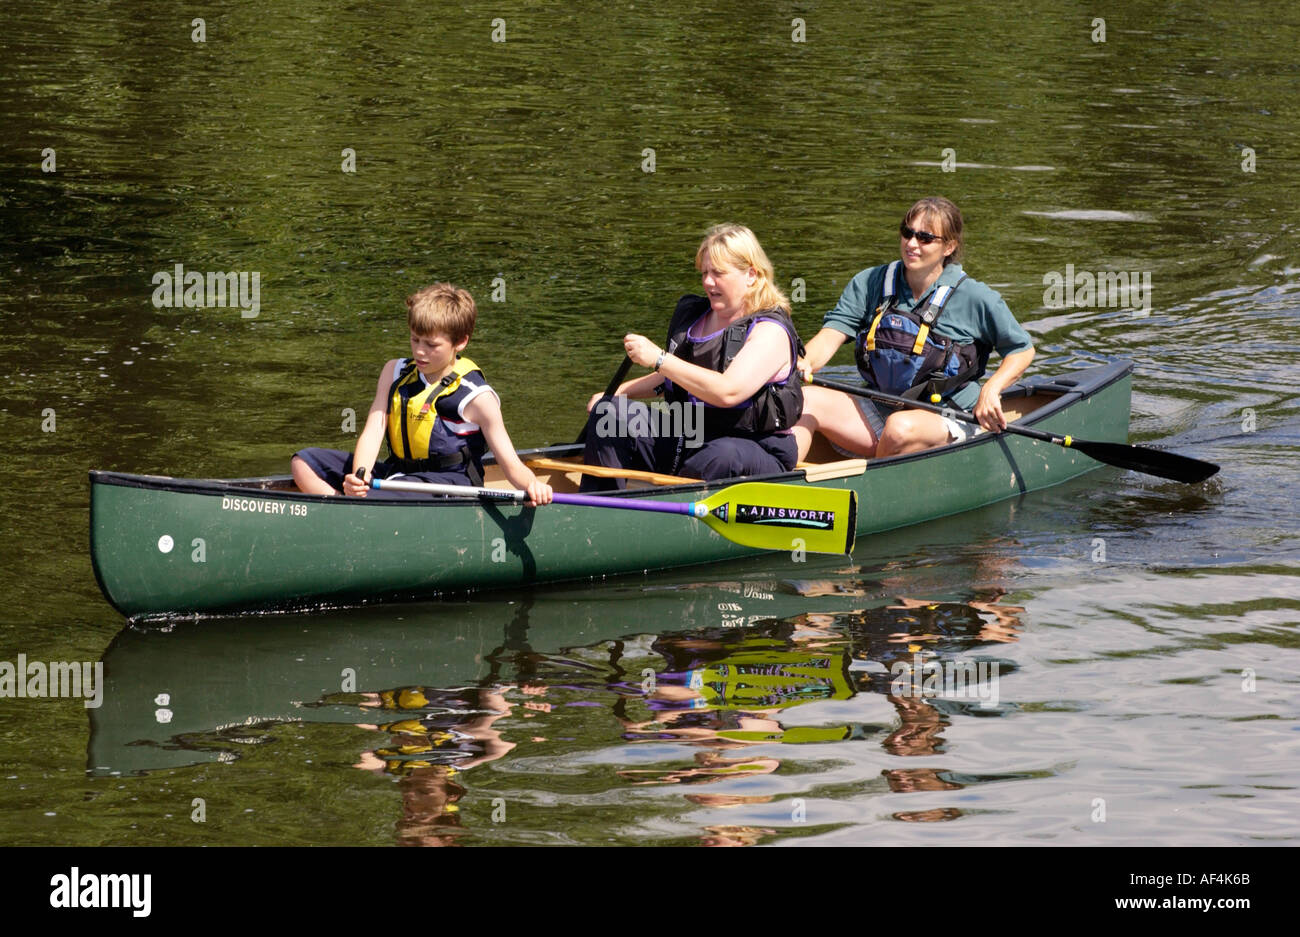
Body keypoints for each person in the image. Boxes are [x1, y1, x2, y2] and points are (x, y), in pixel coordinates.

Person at [792, 197, 1035, 460]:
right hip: (881, 408)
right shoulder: (870, 282)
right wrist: (804, 364)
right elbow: (833, 333)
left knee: (899, 429)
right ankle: (778, 479)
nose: (911, 244)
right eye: (907, 233)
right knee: (804, 399)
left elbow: (1021, 350)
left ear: (949, 246)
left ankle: (874, 486)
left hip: (948, 415)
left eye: (925, 238)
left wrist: (991, 390)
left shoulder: (976, 297)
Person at [579, 223, 803, 490]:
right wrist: (616, 395)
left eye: (718, 273)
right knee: (610, 414)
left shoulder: (770, 331)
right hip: (691, 431)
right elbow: (674, 377)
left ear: (751, 275)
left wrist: (659, 358)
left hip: (756, 446)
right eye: (705, 272)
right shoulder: (697, 318)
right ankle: (600, 509)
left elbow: (728, 392)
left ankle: (670, 511)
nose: (708, 281)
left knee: (719, 456)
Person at [291, 282, 552, 505]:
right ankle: (345, 507)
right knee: (304, 462)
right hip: (397, 474)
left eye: (431, 345)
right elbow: (375, 427)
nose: (420, 352)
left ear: (460, 342)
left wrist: (532, 485)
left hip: (450, 486)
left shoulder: (478, 398)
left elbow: (510, 464)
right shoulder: (394, 371)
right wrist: (359, 476)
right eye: (415, 339)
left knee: (373, 495)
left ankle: (349, 511)